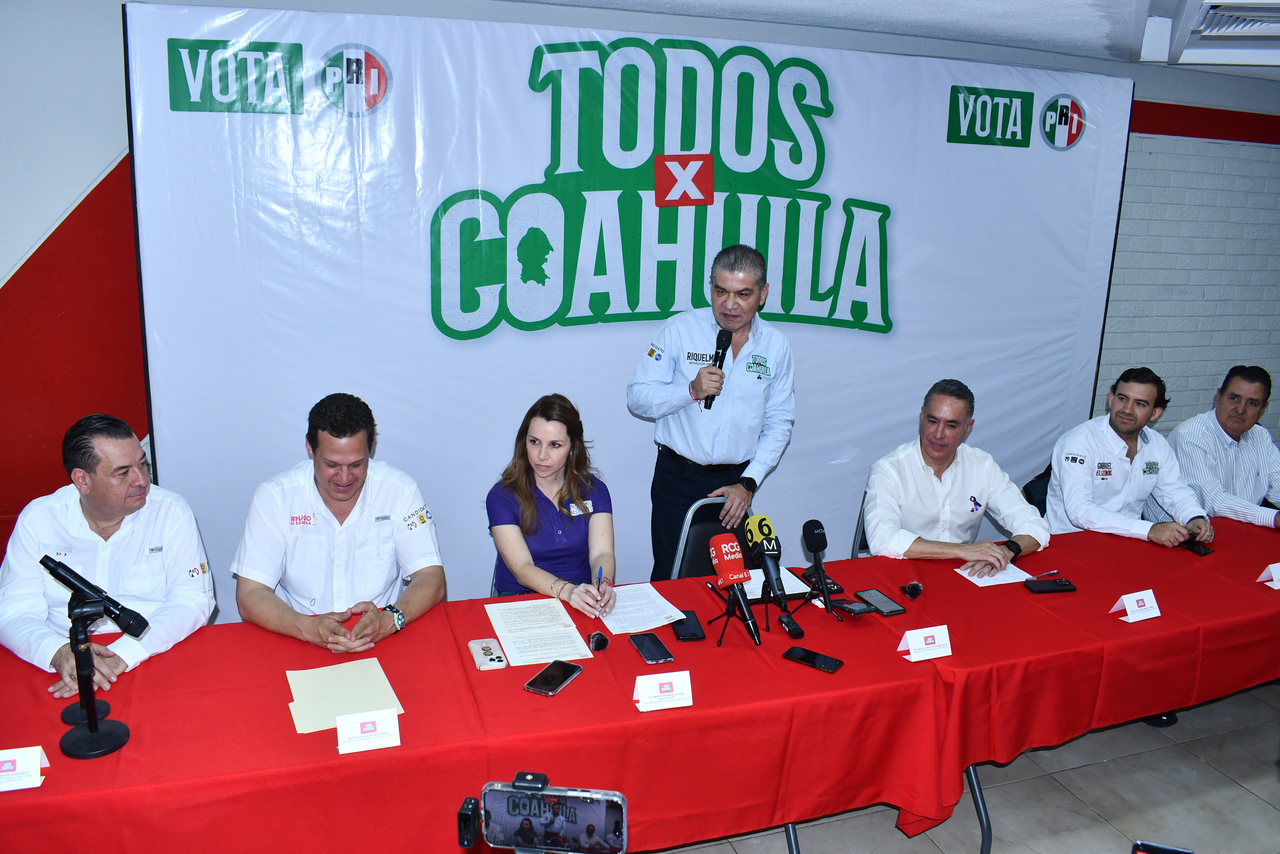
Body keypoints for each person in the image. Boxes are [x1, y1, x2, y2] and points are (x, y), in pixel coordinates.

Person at [0, 415, 214, 698]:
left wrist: (123, 654)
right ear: (82, 480)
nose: (142, 480)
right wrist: (57, 651)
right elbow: (13, 610)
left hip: (152, 651)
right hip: (63, 664)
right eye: (123, 472)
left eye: (142, 464)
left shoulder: (170, 511)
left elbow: (193, 600)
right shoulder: (39, 519)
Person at [627, 244, 795, 582]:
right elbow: (637, 398)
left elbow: (779, 422)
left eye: (743, 294)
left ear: (763, 294)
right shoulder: (679, 329)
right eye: (721, 291)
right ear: (710, 286)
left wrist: (749, 482)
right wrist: (690, 390)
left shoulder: (776, 346)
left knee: (732, 581)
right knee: (673, 578)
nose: (729, 304)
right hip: (679, 478)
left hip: (738, 482)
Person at [232, 393, 445, 652]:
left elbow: (431, 578)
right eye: (331, 464)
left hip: (383, 637)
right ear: (310, 448)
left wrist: (390, 619)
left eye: (356, 464)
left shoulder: (400, 490)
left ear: (371, 447)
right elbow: (250, 594)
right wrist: (307, 628)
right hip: (297, 637)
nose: (344, 478)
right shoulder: (275, 497)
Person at [864, 380, 1050, 577]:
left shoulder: (982, 465)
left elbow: (1035, 525)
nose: (938, 434)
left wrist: (1006, 550)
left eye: (951, 425)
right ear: (921, 417)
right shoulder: (889, 469)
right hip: (900, 576)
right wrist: (963, 550)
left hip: (961, 577)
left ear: (968, 428)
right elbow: (882, 540)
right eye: (932, 421)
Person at [1047, 367, 1213, 546]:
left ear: (1155, 413)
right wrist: (1148, 529)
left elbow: (1175, 491)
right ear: (1111, 399)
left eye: (1140, 404)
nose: (1127, 410)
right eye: (1123, 399)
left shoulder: (1157, 443)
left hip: (1127, 542)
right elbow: (1079, 511)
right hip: (1071, 543)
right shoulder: (1079, 442)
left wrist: (1193, 516)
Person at [487, 394, 616, 618]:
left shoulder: (595, 490)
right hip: (520, 598)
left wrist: (603, 584)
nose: (541, 455)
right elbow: (522, 568)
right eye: (534, 442)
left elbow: (602, 554)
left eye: (554, 445)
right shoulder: (502, 496)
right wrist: (567, 591)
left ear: (573, 447)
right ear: (523, 442)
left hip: (580, 596)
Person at [1145, 365, 1280, 529]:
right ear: (1218, 397)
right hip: (1183, 533)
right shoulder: (1190, 435)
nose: (1240, 410)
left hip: (1244, 528)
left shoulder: (1261, 436)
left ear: (1262, 409)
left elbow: (1277, 488)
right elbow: (1214, 501)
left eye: (1252, 403)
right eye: (1234, 398)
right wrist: (1273, 517)